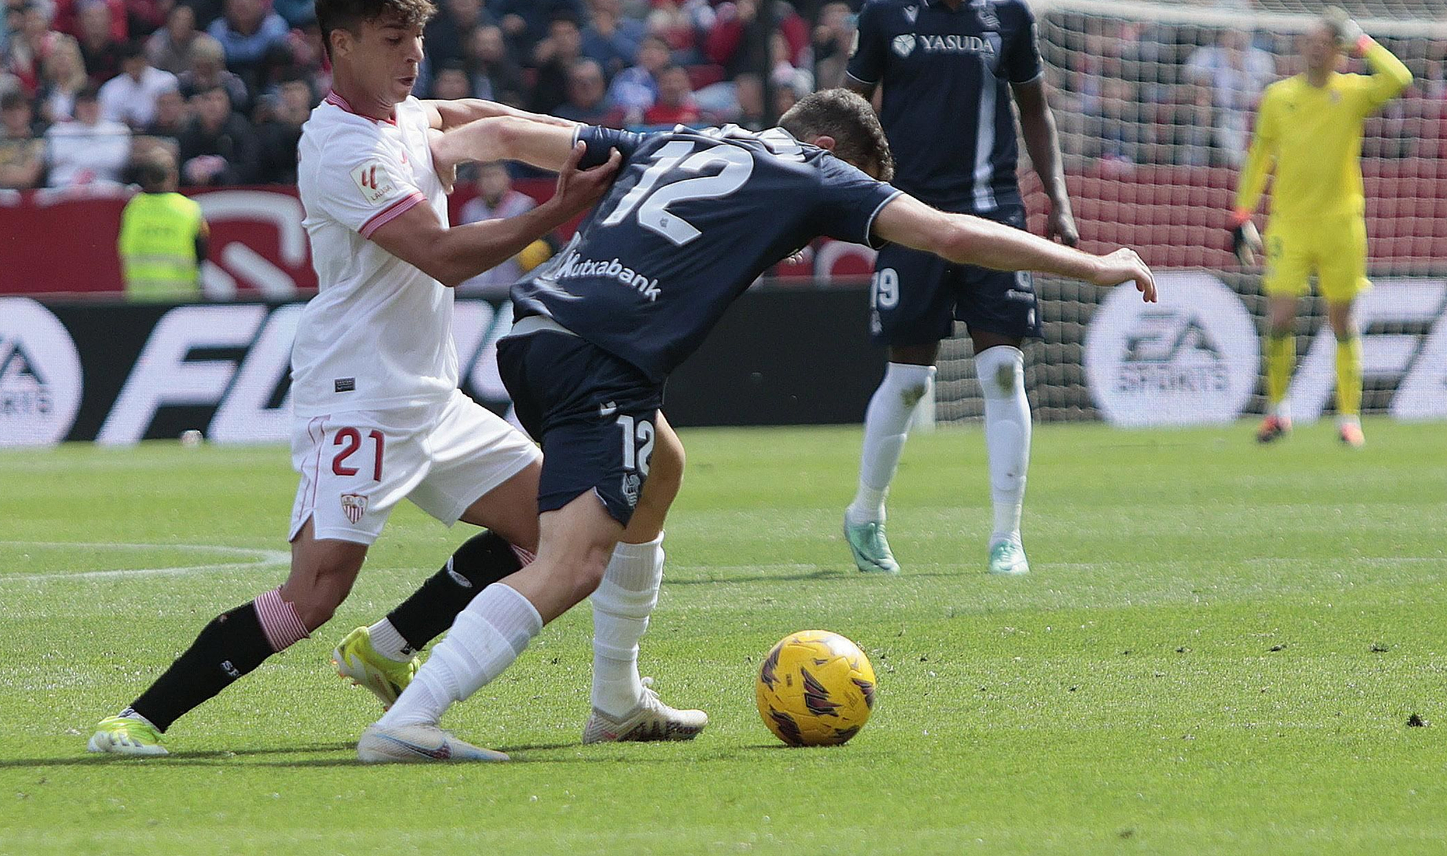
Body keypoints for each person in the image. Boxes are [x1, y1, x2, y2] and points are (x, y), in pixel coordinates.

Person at [354, 86, 1155, 763]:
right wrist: (1095, 265)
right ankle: (409, 719)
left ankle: (617, 699)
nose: (817, 237)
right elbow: (947, 233)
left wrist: (417, 115)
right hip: (601, 358)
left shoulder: (678, 136)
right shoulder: (812, 171)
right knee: (569, 564)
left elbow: (507, 131)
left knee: (659, 471)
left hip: (532, 337)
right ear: (833, 146)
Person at [84, 0, 676, 758]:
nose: (414, 55)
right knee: (315, 592)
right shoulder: (340, 148)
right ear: (343, 44)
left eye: (420, 37)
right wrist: (558, 208)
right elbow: (440, 254)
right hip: (357, 395)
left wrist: (628, 149)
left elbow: (496, 121)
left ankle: (388, 647)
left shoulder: (409, 116)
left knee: (556, 533)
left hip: (428, 395)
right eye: (397, 38)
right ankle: (136, 720)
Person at [841, 0, 1081, 578]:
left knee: (1003, 370)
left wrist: (1056, 202)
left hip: (993, 214)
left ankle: (1007, 537)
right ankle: (865, 513)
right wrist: (850, 191)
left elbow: (1036, 111)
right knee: (910, 379)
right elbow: (849, 104)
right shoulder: (886, 12)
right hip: (911, 216)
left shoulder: (1008, 13)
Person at [1230, 10, 1412, 448]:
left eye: (1325, 42)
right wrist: (1241, 215)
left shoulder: (1351, 92)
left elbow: (1400, 79)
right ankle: (1278, 412)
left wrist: (1362, 40)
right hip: (1288, 225)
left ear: (1338, 50)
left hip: (1341, 224)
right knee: (1280, 315)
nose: (1315, 48)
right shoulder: (1278, 97)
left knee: (1342, 320)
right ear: (1300, 48)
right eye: (1309, 41)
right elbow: (1259, 159)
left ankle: (1349, 418)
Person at [117, 138, 209, 300]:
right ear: (173, 176)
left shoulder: (132, 210)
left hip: (140, 301)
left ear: (145, 177)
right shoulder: (190, 210)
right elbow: (202, 255)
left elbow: (123, 250)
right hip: (181, 301)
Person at [458, 161, 541, 289]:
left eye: (495, 175)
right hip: (474, 291)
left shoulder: (524, 206)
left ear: (507, 178)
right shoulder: (470, 210)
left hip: (512, 289)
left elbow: (547, 247)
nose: (490, 181)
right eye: (485, 177)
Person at [98, 42, 180, 130]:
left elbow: (176, 111)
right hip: (126, 135)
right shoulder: (110, 89)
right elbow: (107, 121)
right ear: (123, 65)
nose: (135, 67)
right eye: (130, 66)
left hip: (161, 131)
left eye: (138, 63)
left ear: (145, 61)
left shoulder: (166, 80)